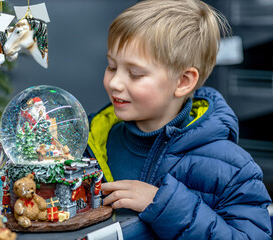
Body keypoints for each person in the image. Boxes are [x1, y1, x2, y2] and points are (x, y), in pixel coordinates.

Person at [85, 0, 272, 239]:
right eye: (111, 67)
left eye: (135, 74)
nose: (114, 83)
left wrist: (163, 204)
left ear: (183, 81)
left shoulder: (232, 168)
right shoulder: (90, 143)